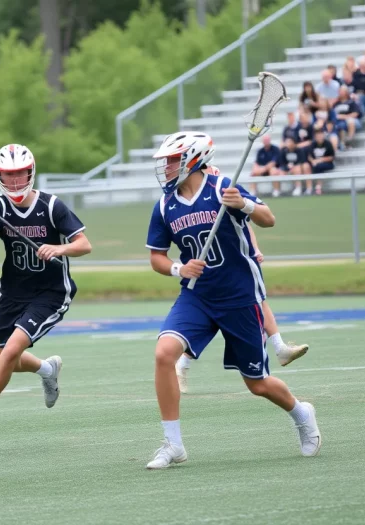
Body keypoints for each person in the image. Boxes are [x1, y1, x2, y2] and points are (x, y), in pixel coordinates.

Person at [144, 131, 320, 469]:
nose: (165, 169)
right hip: (196, 296)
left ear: (192, 161)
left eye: (171, 161)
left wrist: (245, 204)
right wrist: (180, 268)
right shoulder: (165, 205)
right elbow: (157, 258)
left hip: (239, 296)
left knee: (257, 384)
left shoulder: (224, 186)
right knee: (164, 353)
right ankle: (173, 444)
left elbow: (268, 219)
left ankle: (300, 411)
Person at [0, 144, 92, 452]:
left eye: (19, 175)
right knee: (5, 361)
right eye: (8, 176)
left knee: (12, 349)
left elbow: (84, 244)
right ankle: (47, 369)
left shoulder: (52, 206)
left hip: (51, 293)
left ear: (30, 173)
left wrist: (59, 248)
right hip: (13, 292)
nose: (14, 182)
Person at [175, 219, 309, 394]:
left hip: (235, 266)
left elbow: (246, 222)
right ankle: (181, 364)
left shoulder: (226, 198)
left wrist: (254, 249)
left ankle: (279, 347)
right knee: (215, 321)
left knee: (258, 299)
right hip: (215, 271)